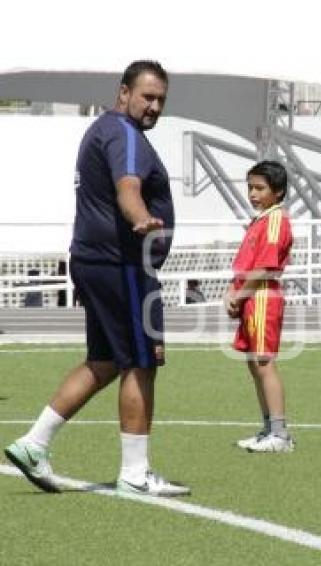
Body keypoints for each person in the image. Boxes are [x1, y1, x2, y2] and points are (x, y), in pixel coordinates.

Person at [4, 60, 189, 496]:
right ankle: (135, 472)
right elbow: (128, 187)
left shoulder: (105, 130)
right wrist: (141, 219)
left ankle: (34, 443)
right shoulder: (124, 134)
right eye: (147, 96)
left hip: (95, 261)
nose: (154, 106)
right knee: (142, 362)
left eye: (161, 98)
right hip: (121, 263)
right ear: (123, 92)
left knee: (104, 361)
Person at [226, 161, 295, 453]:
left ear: (277, 192)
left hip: (263, 296)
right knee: (254, 363)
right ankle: (268, 428)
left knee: (265, 362)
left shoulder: (276, 219)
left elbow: (266, 266)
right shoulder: (260, 219)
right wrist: (234, 290)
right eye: (250, 187)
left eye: (260, 188)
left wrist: (240, 295)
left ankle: (280, 434)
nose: (253, 194)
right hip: (251, 296)